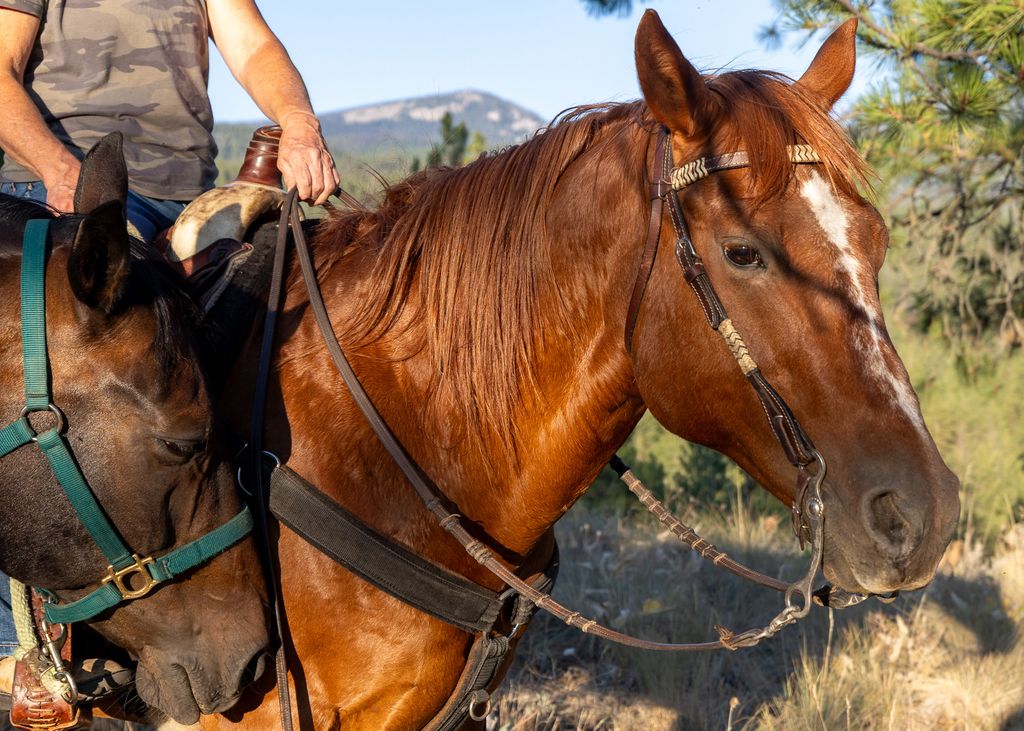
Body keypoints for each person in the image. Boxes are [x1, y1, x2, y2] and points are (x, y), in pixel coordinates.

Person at [0, 0, 340, 714]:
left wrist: (300, 121)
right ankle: (21, 650)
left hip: (184, 191)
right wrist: (61, 171)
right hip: (64, 191)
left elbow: (253, 49)